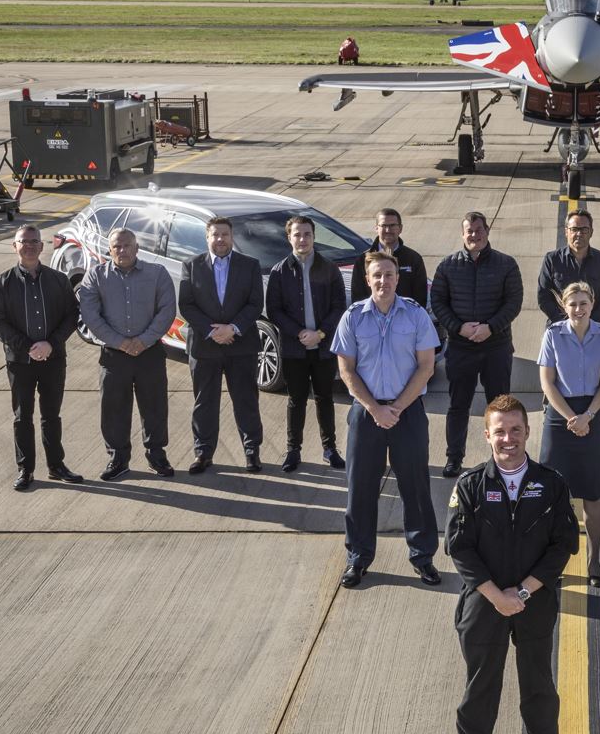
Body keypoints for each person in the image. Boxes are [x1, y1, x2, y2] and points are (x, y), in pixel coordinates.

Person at [445, 395, 579, 734]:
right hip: (483, 604)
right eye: (499, 431)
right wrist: (495, 596)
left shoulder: (552, 484)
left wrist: (520, 592)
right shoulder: (470, 486)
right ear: (487, 435)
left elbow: (563, 546)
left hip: (533, 603)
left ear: (527, 431)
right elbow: (459, 547)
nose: (508, 438)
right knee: (479, 687)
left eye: (515, 429)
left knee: (539, 687)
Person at [332, 250, 443, 587]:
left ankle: (423, 558)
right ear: (367, 280)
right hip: (366, 413)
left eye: (389, 275)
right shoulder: (353, 318)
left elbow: (427, 366)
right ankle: (358, 558)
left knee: (416, 487)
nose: (383, 281)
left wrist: (395, 408)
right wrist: (375, 409)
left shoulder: (415, 315)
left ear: (398, 278)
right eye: (377, 275)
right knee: (361, 490)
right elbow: (346, 370)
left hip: (407, 412)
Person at [78, 227, 177, 481]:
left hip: (150, 353)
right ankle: (118, 458)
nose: (121, 250)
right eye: (116, 247)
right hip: (114, 355)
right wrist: (120, 342)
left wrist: (143, 341)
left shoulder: (157, 274)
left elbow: (166, 311)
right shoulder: (95, 276)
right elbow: (90, 315)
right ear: (109, 250)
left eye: (126, 246)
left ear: (137, 248)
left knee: (154, 406)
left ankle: (156, 455)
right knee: (113, 409)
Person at [0, 225, 82, 491]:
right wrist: (30, 346)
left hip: (53, 359)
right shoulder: (2, 283)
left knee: (51, 415)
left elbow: (71, 315)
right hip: (20, 362)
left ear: (42, 247)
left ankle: (56, 466)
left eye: (34, 241)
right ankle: (26, 469)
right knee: (22, 416)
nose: (29, 246)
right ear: (14, 247)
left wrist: (50, 344)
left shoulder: (58, 280)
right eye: (23, 242)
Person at [430, 211, 523, 477]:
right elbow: (438, 302)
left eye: (478, 230)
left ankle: (503, 458)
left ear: (487, 231)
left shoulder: (507, 264)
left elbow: (513, 302)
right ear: (463, 234)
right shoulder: (447, 266)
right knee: (458, 405)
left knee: (500, 407)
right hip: (461, 348)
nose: (474, 235)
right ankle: (454, 458)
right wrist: (459, 327)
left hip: (496, 347)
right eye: (469, 231)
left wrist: (490, 328)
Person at [537, 282, 600, 588]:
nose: (578, 309)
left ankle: (594, 560)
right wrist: (572, 417)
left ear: (592, 303)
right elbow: (547, 382)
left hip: (592, 413)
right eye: (573, 304)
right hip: (561, 416)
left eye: (583, 303)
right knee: (555, 495)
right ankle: (552, 562)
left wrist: (588, 417)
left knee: (592, 493)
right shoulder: (553, 335)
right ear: (564, 306)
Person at [178, 217, 265, 474]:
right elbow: (186, 304)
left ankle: (252, 452)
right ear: (207, 238)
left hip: (241, 346)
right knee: (205, 402)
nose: (220, 240)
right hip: (205, 347)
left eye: (225, 235)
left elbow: (255, 303)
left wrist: (233, 328)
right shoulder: (191, 266)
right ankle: (203, 453)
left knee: (246, 400)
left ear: (232, 237)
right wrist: (211, 331)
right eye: (215, 235)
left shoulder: (249, 265)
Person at [266, 215, 349, 472]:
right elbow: (274, 310)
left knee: (325, 398)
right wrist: (300, 333)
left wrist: (321, 333)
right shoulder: (279, 271)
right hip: (294, 349)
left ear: (314, 237)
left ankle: (330, 449)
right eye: (297, 235)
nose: (303, 239)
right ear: (289, 237)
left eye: (307, 235)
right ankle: (293, 450)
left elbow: (338, 306)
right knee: (296, 400)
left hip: (323, 349)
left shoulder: (329, 268)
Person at [536, 208, 600, 324]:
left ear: (591, 232)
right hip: (560, 328)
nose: (579, 234)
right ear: (566, 232)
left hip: (594, 328)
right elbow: (543, 297)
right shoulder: (552, 259)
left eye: (584, 229)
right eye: (574, 229)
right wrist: (566, 323)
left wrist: (588, 323)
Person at [349, 207, 429, 309]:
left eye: (392, 225)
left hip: (405, 321)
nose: (388, 230)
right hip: (372, 321)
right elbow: (357, 298)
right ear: (376, 228)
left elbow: (420, 299)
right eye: (383, 226)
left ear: (400, 228)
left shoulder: (413, 259)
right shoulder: (362, 260)